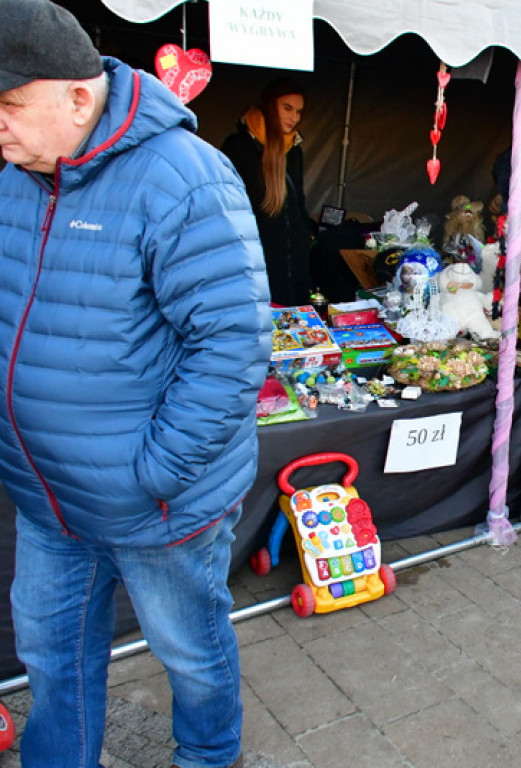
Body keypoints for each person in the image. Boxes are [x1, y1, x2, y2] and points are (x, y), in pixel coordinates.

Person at [0, 2, 271, 767]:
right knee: (53, 661)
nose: (0, 125)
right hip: (47, 495)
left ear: (78, 98)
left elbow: (234, 341)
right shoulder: (15, 182)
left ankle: (209, 758)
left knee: (189, 652)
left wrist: (152, 474)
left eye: (11, 105)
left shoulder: (182, 177)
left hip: (152, 502)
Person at [222, 77, 314, 306]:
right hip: (255, 258)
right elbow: (227, 206)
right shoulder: (239, 146)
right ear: (271, 105)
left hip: (294, 260)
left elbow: (298, 202)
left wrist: (306, 234)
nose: (294, 118)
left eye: (299, 112)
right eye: (287, 108)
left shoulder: (294, 150)